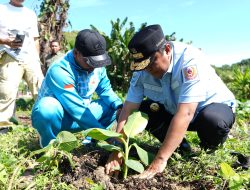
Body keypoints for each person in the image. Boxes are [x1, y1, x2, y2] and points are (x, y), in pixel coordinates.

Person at [105, 24, 236, 179]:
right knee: (137, 112)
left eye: (151, 64)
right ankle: (182, 148)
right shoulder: (142, 70)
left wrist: (160, 160)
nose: (148, 71)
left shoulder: (189, 61)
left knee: (212, 121)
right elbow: (128, 109)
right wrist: (117, 150)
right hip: (174, 111)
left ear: (167, 50)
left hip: (209, 109)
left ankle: (208, 148)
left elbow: (186, 113)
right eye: (143, 66)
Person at [31, 29, 123, 148]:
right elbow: (76, 109)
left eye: (97, 62)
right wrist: (107, 136)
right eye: (89, 62)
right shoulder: (60, 70)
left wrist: (120, 106)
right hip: (60, 118)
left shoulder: (97, 67)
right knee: (46, 108)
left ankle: (90, 141)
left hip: (82, 115)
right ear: (76, 53)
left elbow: (105, 91)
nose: (93, 67)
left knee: (112, 105)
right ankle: (50, 147)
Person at [0, 0, 44, 126]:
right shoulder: (1, 9)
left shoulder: (30, 13)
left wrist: (37, 59)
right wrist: (5, 41)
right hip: (9, 55)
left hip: (31, 57)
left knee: (41, 89)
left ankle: (45, 121)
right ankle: (3, 125)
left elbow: (35, 38)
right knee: (6, 92)